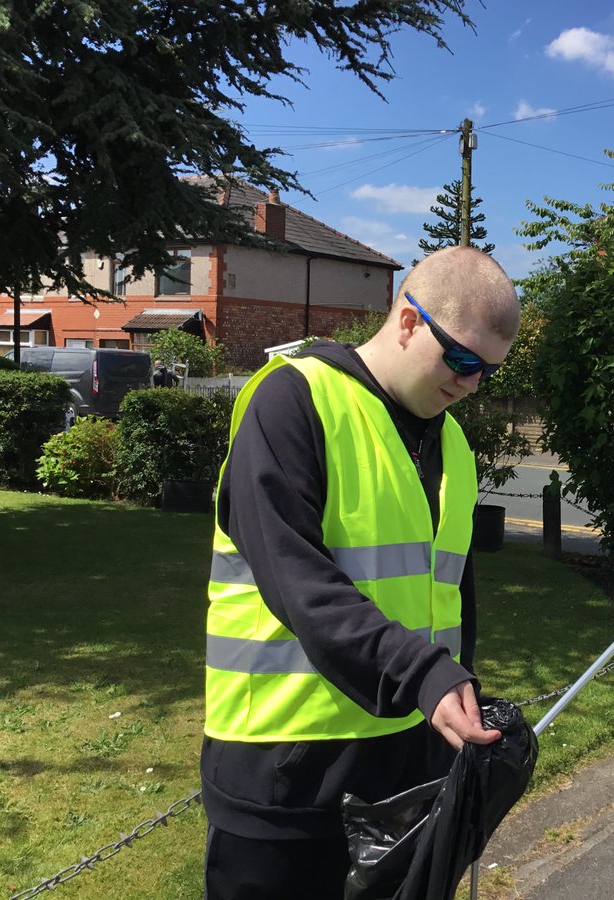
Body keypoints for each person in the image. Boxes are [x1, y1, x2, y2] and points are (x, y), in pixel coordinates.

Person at [201, 246, 522, 899]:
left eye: (488, 371)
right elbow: (296, 578)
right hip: (283, 774)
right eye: (461, 359)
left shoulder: (451, 443)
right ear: (408, 320)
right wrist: (423, 674)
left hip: (404, 772)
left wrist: (458, 702)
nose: (470, 385)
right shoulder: (292, 399)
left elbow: (450, 599)